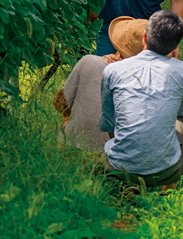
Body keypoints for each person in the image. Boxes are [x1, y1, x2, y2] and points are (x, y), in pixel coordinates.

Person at [100, 9, 183, 189]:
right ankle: (171, 186)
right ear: (176, 45)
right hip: (166, 172)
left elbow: (108, 123)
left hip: (118, 170)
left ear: (145, 37)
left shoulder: (112, 71)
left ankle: (127, 185)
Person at [57, 16, 145, 153]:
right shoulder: (149, 82)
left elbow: (60, 103)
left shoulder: (90, 62)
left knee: (67, 120)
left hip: (75, 149)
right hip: (122, 160)